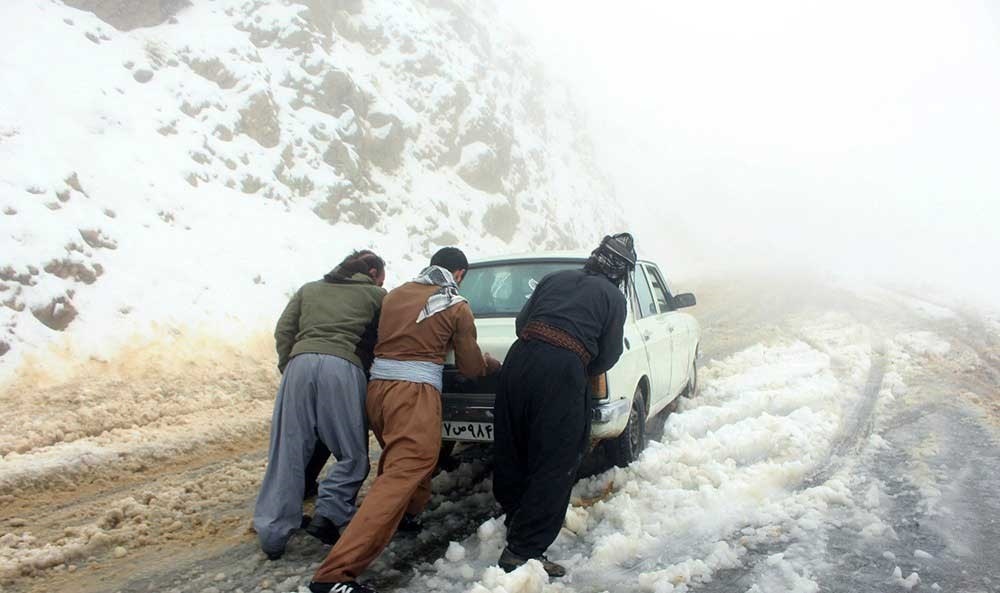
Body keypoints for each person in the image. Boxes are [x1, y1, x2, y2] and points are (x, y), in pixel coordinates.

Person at [309, 247, 501, 593]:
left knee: (415, 459)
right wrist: (491, 365)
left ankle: (409, 513)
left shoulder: (394, 295)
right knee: (402, 473)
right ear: (459, 275)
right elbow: (471, 368)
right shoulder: (455, 305)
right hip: (413, 394)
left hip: (378, 391)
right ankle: (334, 575)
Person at [492, 233, 636, 577]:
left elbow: (520, 324)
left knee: (514, 445)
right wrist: (576, 361)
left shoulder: (555, 278)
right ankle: (522, 550)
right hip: (563, 370)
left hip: (519, 360)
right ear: (621, 271)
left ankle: (516, 518)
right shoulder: (613, 298)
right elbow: (609, 353)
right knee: (555, 459)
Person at [253, 250, 387, 561]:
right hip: (343, 368)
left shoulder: (308, 289)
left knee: (287, 452)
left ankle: (273, 535)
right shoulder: (377, 295)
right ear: (370, 271)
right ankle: (329, 512)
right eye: (381, 276)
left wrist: (291, 365)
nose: (383, 282)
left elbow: (284, 330)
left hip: (299, 364)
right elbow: (387, 338)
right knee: (351, 454)